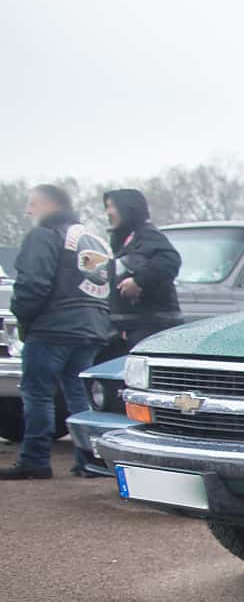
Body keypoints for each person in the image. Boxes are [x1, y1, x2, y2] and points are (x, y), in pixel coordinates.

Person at [3, 185, 110, 480]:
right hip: (91, 327)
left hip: (52, 327)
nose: (28, 211)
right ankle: (88, 459)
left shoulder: (44, 235)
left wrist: (24, 320)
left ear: (49, 206)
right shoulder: (92, 238)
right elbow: (102, 284)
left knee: (37, 393)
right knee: (79, 395)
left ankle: (35, 460)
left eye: (32, 204)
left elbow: (32, 283)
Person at [103, 188, 182, 356]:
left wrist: (139, 282)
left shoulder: (148, 235)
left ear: (128, 208)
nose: (108, 212)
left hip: (153, 324)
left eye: (112, 206)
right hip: (130, 325)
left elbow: (170, 261)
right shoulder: (124, 239)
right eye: (107, 207)